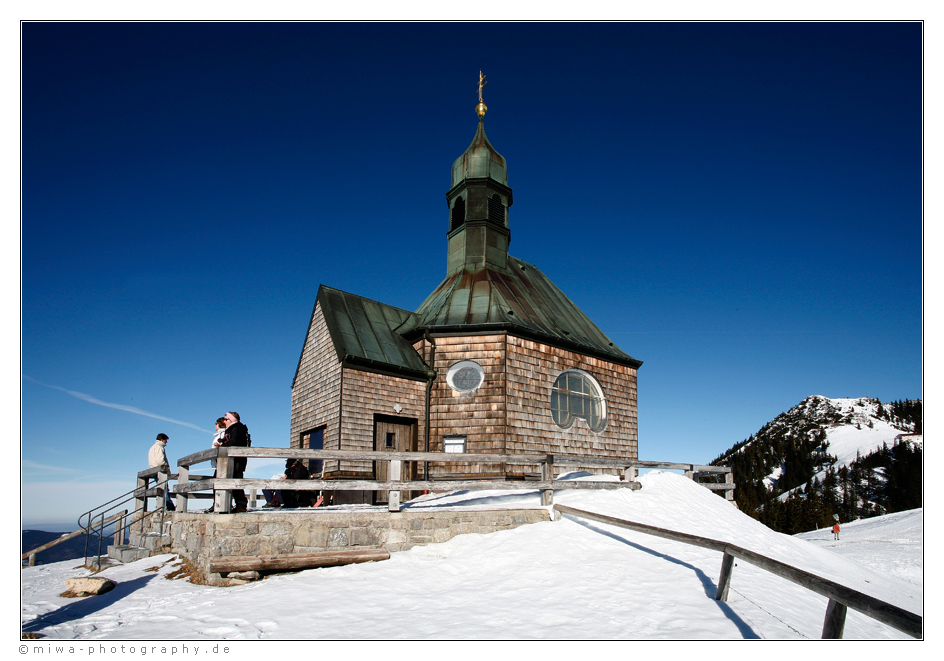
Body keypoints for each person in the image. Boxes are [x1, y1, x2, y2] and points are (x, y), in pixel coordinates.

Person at [218, 411, 250, 512]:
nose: (224, 421)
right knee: (221, 481)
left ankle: (241, 505)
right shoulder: (231, 429)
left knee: (236, 483)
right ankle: (222, 504)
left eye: (226, 419)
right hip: (228, 461)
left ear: (232, 420)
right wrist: (222, 442)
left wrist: (222, 445)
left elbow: (235, 443)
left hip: (236, 461)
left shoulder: (238, 428)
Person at [148, 433, 175, 511]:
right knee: (164, 488)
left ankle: (160, 505)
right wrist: (165, 466)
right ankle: (169, 505)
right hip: (160, 470)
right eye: (166, 440)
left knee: (160, 487)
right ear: (162, 440)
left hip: (154, 469)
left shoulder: (153, 447)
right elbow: (160, 461)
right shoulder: (159, 447)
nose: (166, 442)